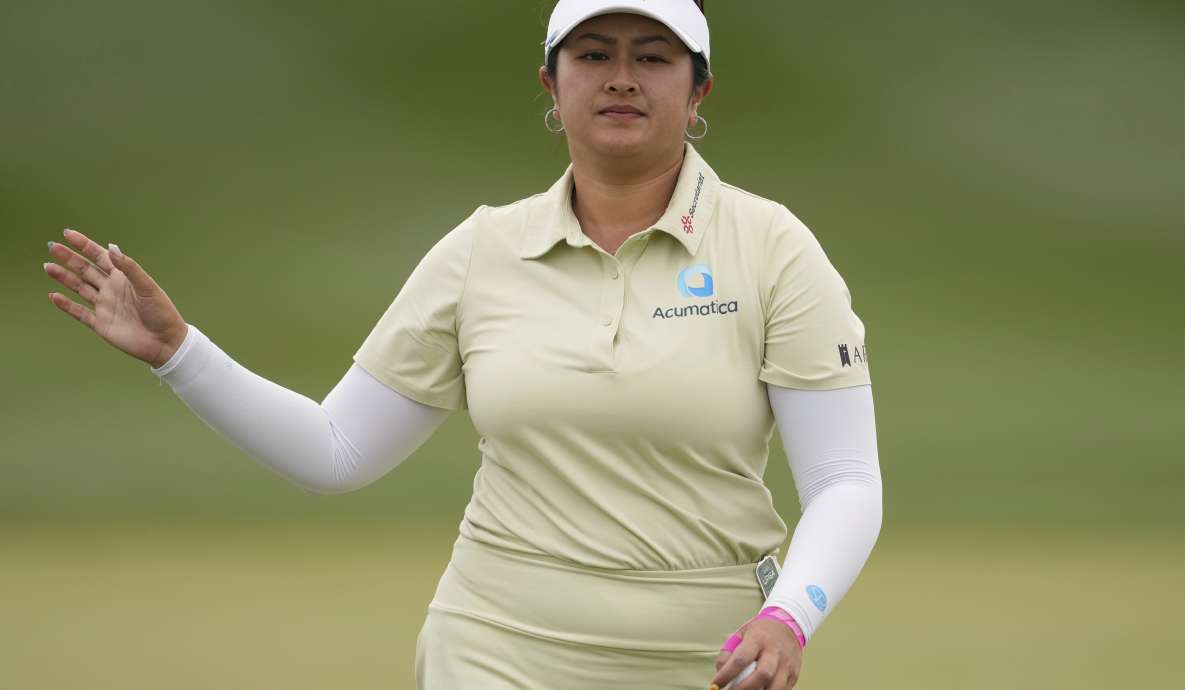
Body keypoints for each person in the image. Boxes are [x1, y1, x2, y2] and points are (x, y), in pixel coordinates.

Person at [40, 1, 883, 688]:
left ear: (699, 92)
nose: (622, 77)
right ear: (551, 85)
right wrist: (181, 353)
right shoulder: (483, 249)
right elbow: (336, 451)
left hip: (713, 658)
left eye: (654, 57)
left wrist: (790, 615)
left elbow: (843, 481)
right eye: (592, 54)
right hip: (495, 650)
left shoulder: (772, 248)